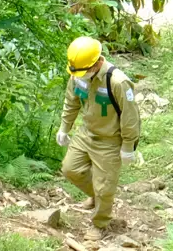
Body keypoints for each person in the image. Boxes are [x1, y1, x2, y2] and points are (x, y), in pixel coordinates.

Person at [56, 36, 141, 238]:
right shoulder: (78, 74)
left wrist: (128, 146)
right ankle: (97, 194)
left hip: (110, 140)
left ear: (98, 62)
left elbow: (130, 117)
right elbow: (72, 102)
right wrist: (64, 128)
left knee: (105, 187)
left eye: (84, 71)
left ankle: (100, 224)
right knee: (70, 169)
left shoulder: (118, 82)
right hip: (86, 133)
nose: (80, 75)